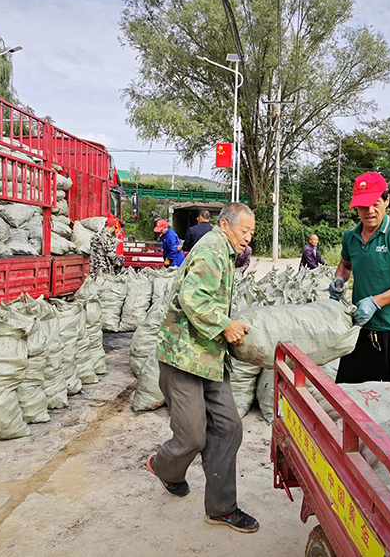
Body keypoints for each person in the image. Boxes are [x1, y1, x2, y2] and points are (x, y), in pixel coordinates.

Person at [147, 202, 258, 533]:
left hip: (210, 357)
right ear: (225, 225)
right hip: (183, 357)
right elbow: (192, 298)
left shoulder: (225, 250)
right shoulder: (211, 249)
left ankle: (222, 509)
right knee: (193, 437)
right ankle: (164, 466)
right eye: (244, 231)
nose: (248, 237)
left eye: (252, 232)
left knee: (228, 428)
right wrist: (225, 325)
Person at [328, 172, 390, 383]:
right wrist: (339, 280)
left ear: (387, 201)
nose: (369, 211)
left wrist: (376, 302)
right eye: (363, 205)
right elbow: (345, 265)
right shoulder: (350, 237)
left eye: (376, 203)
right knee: (352, 393)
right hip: (362, 327)